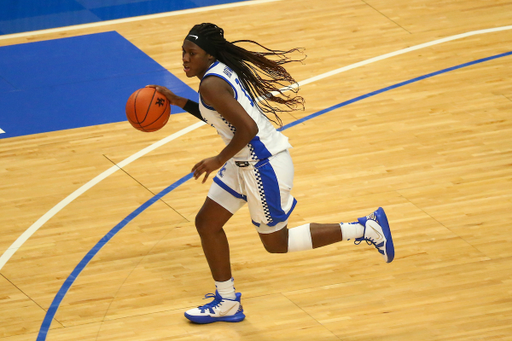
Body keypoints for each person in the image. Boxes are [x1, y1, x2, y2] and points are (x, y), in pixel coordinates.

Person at [147, 23, 394, 324]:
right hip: (244, 163)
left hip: (262, 167)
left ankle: (365, 228)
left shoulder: (211, 84)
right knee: (207, 223)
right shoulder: (216, 76)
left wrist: (216, 159)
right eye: (183, 52)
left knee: (276, 243)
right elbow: (220, 117)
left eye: (192, 53)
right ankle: (226, 302)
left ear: (208, 55)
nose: (185, 58)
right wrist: (178, 101)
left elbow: (247, 129)